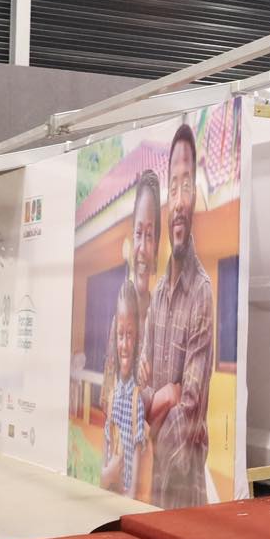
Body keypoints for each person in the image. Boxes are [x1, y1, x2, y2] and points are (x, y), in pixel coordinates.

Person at [138, 123, 214, 508]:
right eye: (173, 186)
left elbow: (190, 408)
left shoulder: (201, 292)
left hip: (186, 490)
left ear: (195, 196)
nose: (180, 199)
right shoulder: (157, 297)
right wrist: (166, 395)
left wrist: (157, 410)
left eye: (187, 185)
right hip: (157, 486)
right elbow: (141, 390)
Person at [101, 169, 160, 497]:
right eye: (139, 233)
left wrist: (150, 397)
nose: (143, 247)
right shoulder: (116, 322)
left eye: (150, 235)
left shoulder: (162, 318)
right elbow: (108, 402)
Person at [101, 281, 145, 496]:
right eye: (120, 335)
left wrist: (130, 494)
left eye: (130, 335)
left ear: (137, 340)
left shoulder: (136, 400)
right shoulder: (112, 396)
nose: (125, 345)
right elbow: (107, 443)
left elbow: (137, 448)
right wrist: (105, 475)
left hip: (124, 494)